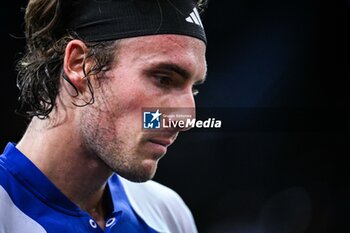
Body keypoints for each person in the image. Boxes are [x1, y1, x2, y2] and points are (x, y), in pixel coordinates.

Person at [0, 0, 208, 232]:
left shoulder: (169, 214)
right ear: (80, 65)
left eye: (194, 88)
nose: (186, 119)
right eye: (163, 79)